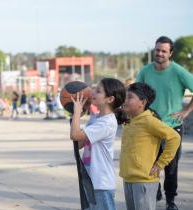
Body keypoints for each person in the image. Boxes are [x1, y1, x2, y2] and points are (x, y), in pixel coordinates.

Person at [136, 36, 193, 210]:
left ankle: (170, 201)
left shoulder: (179, 72)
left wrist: (186, 111)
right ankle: (156, 188)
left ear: (170, 53)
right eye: (157, 50)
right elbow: (136, 94)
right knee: (149, 162)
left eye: (163, 51)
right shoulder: (145, 71)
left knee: (171, 166)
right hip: (150, 125)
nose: (159, 53)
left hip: (172, 126)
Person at [120, 82, 181, 210]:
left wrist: (160, 163)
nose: (125, 100)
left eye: (129, 97)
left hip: (144, 180)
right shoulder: (129, 121)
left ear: (142, 102)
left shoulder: (149, 121)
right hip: (128, 178)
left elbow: (174, 137)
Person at [70, 78, 126, 210]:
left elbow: (74, 135)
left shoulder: (106, 123)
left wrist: (77, 113)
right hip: (90, 179)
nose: (93, 92)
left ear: (110, 99)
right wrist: (77, 116)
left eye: (98, 91)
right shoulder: (96, 118)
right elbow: (78, 144)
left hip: (101, 182)